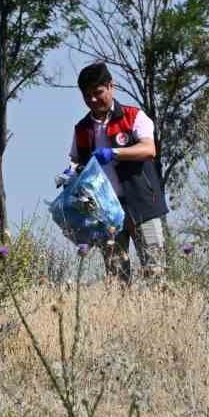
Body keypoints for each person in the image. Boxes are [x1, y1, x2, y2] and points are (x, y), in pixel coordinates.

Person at [68, 62, 169, 283]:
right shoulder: (81, 129)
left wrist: (114, 153)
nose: (93, 100)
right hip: (107, 211)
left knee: (155, 272)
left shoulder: (133, 116)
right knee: (116, 276)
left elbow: (148, 149)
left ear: (111, 86)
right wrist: (70, 174)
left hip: (143, 205)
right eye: (87, 96)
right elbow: (76, 161)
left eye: (98, 93)